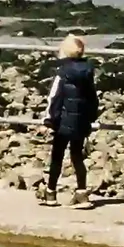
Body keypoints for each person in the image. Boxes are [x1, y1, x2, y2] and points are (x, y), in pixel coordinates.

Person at [43, 35, 100, 207]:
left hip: (63, 121)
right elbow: (92, 98)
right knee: (77, 156)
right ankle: (82, 193)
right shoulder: (88, 72)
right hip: (81, 121)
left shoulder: (62, 72)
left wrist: (49, 119)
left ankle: (50, 192)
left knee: (57, 156)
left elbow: (55, 97)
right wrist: (90, 118)